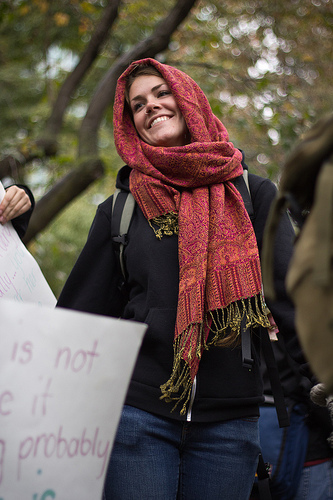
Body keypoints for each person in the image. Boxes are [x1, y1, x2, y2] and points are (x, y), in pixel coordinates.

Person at [57, 58, 299, 500]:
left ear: (187, 99)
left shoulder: (253, 194)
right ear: (130, 125)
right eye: (137, 105)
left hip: (231, 421)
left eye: (161, 94)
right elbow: (78, 319)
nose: (151, 106)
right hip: (138, 416)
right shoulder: (120, 209)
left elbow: (296, 301)